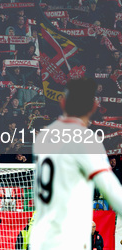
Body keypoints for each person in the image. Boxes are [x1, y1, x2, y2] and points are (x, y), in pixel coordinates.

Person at [29, 78, 122, 250]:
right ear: (93, 107)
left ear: (63, 103)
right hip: (66, 238)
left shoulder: (44, 136)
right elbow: (110, 188)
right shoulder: (84, 138)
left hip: (40, 238)